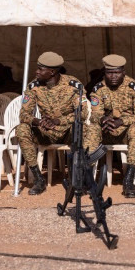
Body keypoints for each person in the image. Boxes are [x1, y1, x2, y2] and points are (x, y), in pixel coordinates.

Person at [15, 52, 88, 195]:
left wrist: (59, 121)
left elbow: (82, 113)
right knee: (22, 129)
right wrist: (38, 121)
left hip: (67, 131)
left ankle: (76, 179)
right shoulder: (34, 86)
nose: (36, 72)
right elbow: (23, 114)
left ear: (52, 71)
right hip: (46, 132)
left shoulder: (73, 85)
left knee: (81, 128)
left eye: (41, 69)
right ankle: (38, 179)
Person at [85, 55, 135, 198]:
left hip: (125, 132)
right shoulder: (98, 89)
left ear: (123, 72)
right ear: (104, 73)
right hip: (106, 132)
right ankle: (86, 178)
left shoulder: (134, 88)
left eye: (117, 72)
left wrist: (122, 121)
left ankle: (129, 180)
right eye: (109, 73)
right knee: (93, 128)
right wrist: (102, 119)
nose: (113, 76)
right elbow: (94, 114)